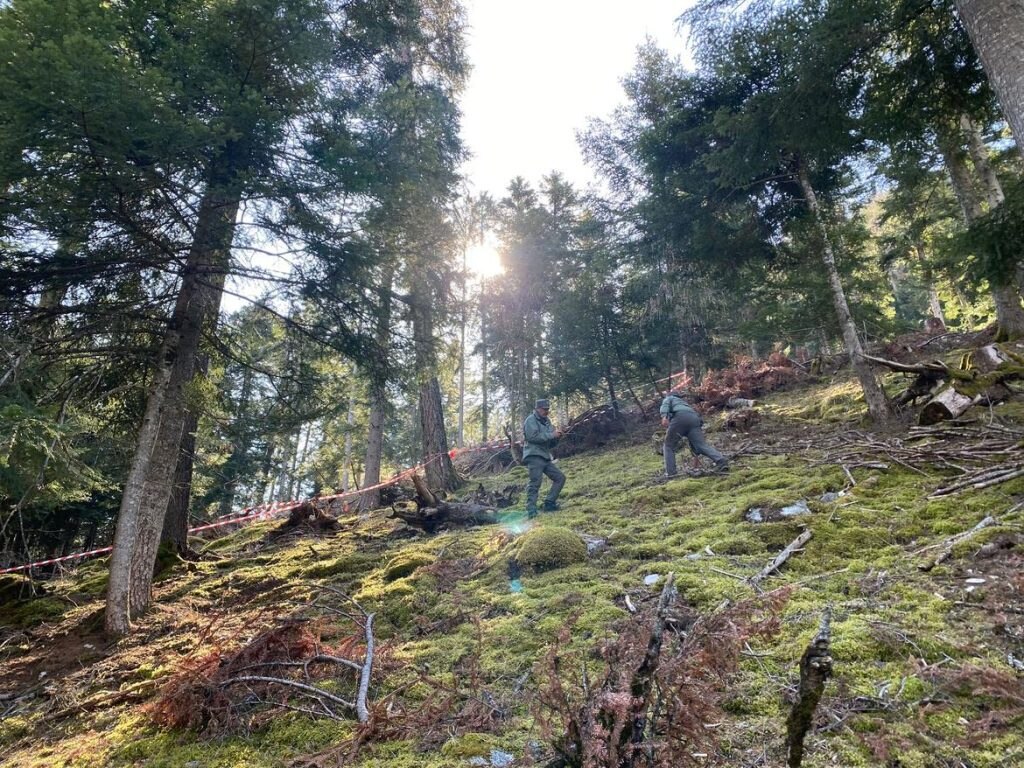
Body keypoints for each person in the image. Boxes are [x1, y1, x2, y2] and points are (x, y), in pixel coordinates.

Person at [660, 388, 728, 477]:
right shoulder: (685, 404)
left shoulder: (669, 398)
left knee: (668, 446)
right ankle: (721, 461)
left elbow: (665, 405)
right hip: (695, 419)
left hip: (680, 417)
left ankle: (671, 473)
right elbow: (694, 445)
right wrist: (696, 463)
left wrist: (664, 416)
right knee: (700, 445)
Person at [522, 398, 566, 518]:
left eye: (547, 409)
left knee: (560, 478)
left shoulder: (547, 422)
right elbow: (532, 437)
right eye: (544, 409)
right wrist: (552, 435)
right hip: (534, 455)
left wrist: (558, 437)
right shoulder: (530, 420)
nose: (546, 411)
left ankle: (549, 503)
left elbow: (550, 443)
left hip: (545, 456)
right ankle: (531, 510)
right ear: (537, 409)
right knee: (535, 483)